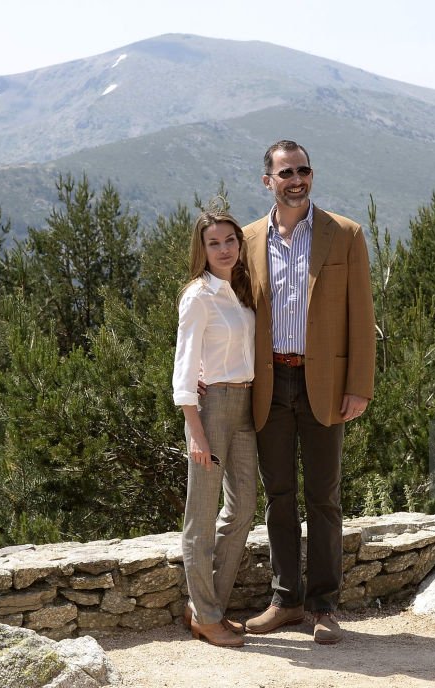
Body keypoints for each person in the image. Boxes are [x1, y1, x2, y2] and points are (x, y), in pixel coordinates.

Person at [241, 140, 376, 644]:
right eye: (285, 172)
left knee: (323, 498)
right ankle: (285, 600)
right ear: (267, 181)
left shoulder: (344, 235)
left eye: (303, 171)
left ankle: (323, 606)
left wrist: (359, 385)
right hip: (269, 383)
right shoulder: (250, 239)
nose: (296, 179)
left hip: (325, 384)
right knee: (278, 496)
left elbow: (362, 318)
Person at [172, 207, 258, 648]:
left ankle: (208, 608)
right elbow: (184, 367)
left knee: (243, 507)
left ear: (240, 245)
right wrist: (195, 431)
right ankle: (206, 617)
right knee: (200, 518)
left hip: (246, 404)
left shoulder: (239, 291)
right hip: (211, 407)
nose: (223, 249)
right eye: (214, 243)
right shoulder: (198, 296)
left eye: (230, 240)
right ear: (201, 249)